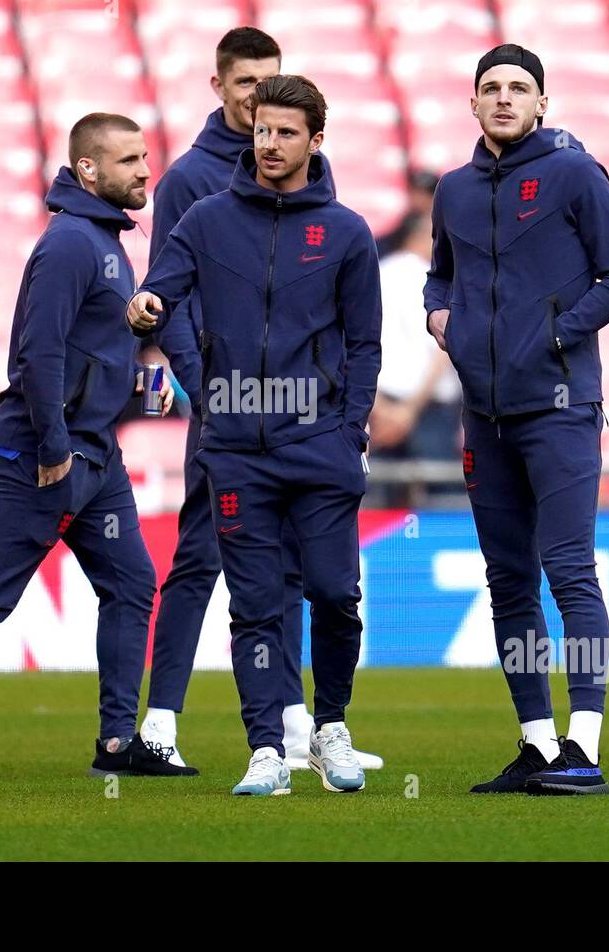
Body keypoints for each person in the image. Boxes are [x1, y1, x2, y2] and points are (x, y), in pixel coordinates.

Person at [0, 114, 193, 782]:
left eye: (144, 156)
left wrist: (141, 388)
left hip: (94, 454)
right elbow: (37, 353)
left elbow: (84, 356)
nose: (144, 169)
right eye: (129, 159)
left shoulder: (102, 241)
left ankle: (114, 743)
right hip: (48, 456)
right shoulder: (72, 245)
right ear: (88, 170)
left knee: (132, 584)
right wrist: (53, 443)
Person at [128, 75, 382, 797]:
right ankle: (266, 748)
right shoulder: (207, 219)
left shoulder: (347, 233)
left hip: (321, 445)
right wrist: (144, 307)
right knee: (255, 606)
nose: (268, 144)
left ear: (316, 140)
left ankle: (330, 726)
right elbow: (162, 288)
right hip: (236, 447)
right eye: (262, 130)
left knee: (334, 594)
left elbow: (365, 345)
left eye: (285, 133)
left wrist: (349, 429)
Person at [425, 44, 609, 796]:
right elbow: (438, 272)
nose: (505, 98)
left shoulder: (576, 174)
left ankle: (584, 744)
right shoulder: (452, 188)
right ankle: (537, 743)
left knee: (569, 570)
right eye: (491, 87)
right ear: (473, 102)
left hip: (560, 408)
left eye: (520, 88)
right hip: (483, 415)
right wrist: (437, 314)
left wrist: (554, 333)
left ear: (543, 103)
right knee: (508, 581)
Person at [371, 211, 461, 469]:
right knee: (440, 499)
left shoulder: (376, 274)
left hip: (380, 405)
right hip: (429, 408)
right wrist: (409, 411)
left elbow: (349, 346)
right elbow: (443, 350)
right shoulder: (438, 282)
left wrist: (380, 407)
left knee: (379, 499)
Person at [375, 169, 439, 257]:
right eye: (416, 193)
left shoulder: (442, 222)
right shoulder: (408, 220)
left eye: (425, 194)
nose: (419, 199)